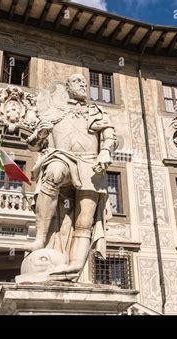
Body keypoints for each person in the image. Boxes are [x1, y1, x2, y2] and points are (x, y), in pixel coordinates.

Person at [22, 73, 118, 281]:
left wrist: (106, 151)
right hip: (62, 157)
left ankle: (74, 265)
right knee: (53, 172)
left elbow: (110, 136)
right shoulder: (55, 111)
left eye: (85, 82)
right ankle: (40, 238)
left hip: (91, 165)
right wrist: (40, 134)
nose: (83, 84)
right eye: (77, 82)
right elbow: (32, 144)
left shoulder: (96, 111)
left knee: (85, 218)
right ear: (67, 86)